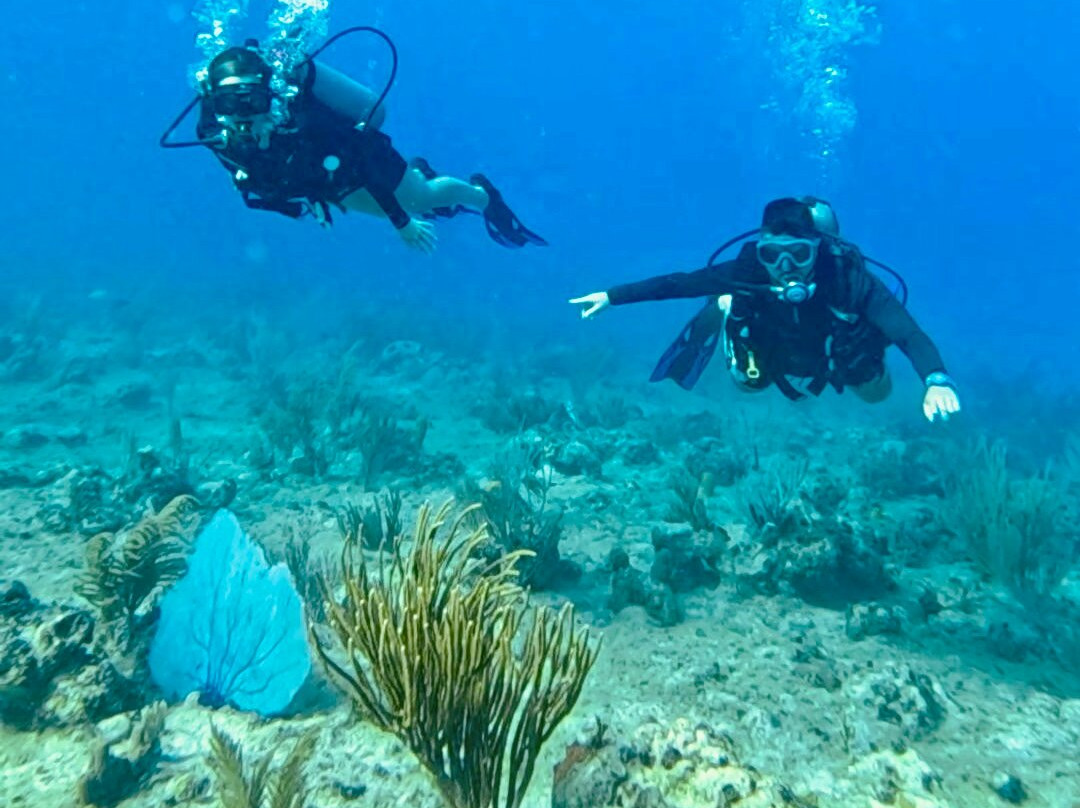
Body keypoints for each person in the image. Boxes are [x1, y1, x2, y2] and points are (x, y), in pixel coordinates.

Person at [569, 197, 961, 423]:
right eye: (773, 254)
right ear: (761, 250)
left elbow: (907, 332)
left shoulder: (849, 279)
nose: (785, 266)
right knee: (748, 384)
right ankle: (725, 308)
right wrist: (612, 296)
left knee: (876, 394)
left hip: (833, 352)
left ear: (817, 249)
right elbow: (680, 283)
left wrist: (936, 380)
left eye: (799, 253)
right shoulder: (748, 272)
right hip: (772, 346)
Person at [171, 38, 546, 253]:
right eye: (228, 104)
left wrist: (402, 223)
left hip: (355, 157)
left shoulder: (302, 122)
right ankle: (417, 178)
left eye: (252, 101)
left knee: (420, 200)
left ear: (269, 96)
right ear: (213, 102)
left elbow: (360, 161)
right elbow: (250, 172)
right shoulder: (210, 131)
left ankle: (484, 196)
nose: (243, 116)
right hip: (322, 178)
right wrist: (307, 197)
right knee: (399, 208)